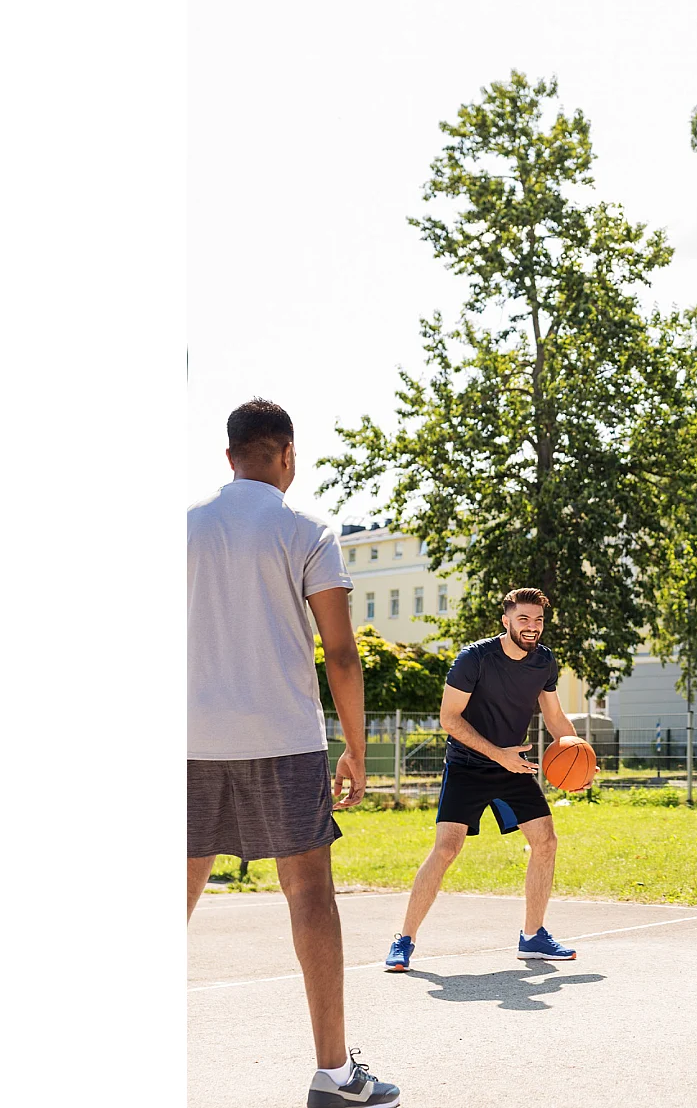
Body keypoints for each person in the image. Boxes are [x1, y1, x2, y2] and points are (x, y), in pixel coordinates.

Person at [188, 398, 400, 1107]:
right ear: (285, 454)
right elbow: (341, 651)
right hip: (284, 738)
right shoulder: (309, 529)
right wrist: (357, 751)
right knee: (309, 891)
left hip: (187, 738)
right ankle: (335, 1076)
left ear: (229, 456)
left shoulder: (179, 529)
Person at [384, 588, 580, 971]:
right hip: (468, 765)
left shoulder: (544, 662)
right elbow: (449, 719)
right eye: (523, 619)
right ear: (506, 620)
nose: (532, 627)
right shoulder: (474, 658)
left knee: (545, 841)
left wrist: (578, 755)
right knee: (446, 849)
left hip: (512, 765)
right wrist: (498, 754)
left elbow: (555, 717)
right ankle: (403, 939)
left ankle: (533, 936)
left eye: (538, 620)